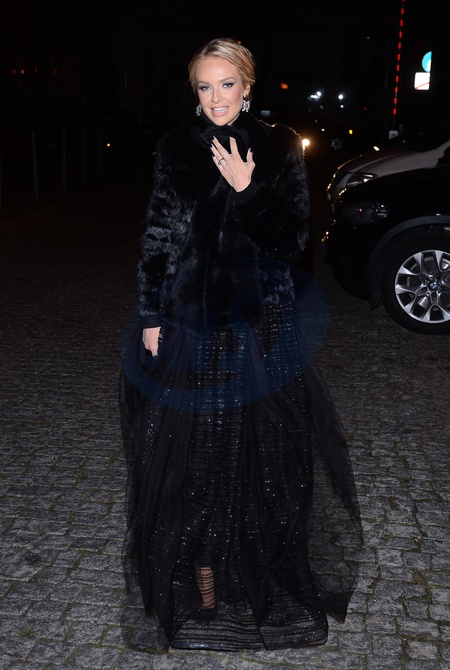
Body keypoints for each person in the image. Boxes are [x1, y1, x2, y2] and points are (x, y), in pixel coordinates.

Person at [120, 36, 362, 652]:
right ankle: (205, 586)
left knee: (262, 464)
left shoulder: (278, 146)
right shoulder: (177, 148)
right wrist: (151, 313)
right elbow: (159, 237)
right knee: (194, 465)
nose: (217, 98)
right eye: (205, 86)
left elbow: (291, 243)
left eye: (227, 84)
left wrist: (248, 189)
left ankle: (253, 574)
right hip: (191, 331)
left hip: (258, 331)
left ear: (248, 87)